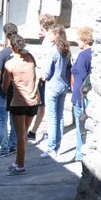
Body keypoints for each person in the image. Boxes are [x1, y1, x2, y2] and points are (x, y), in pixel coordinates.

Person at [0, 32, 42, 175]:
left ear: (12, 47)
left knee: (20, 135)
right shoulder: (30, 58)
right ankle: (17, 161)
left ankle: (21, 166)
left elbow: (5, 87)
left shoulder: (10, 64)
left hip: (19, 101)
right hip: (34, 100)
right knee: (24, 133)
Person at [42, 26, 72, 156]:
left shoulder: (53, 50)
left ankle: (51, 147)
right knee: (60, 117)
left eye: (50, 34)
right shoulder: (66, 49)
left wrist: (43, 76)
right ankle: (57, 146)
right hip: (63, 86)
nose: (48, 36)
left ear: (56, 35)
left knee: (52, 118)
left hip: (53, 86)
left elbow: (48, 72)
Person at [0, 25, 18, 157]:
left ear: (5, 35)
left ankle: (4, 148)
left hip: (3, 91)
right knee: (14, 120)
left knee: (2, 120)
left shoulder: (3, 53)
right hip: (17, 91)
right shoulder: (21, 52)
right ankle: (13, 145)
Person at [71, 26, 94, 163]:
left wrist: (78, 98)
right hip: (88, 95)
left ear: (85, 40)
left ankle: (79, 153)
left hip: (80, 96)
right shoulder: (93, 54)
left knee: (80, 129)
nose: (77, 41)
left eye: (79, 39)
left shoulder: (83, 55)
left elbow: (81, 78)